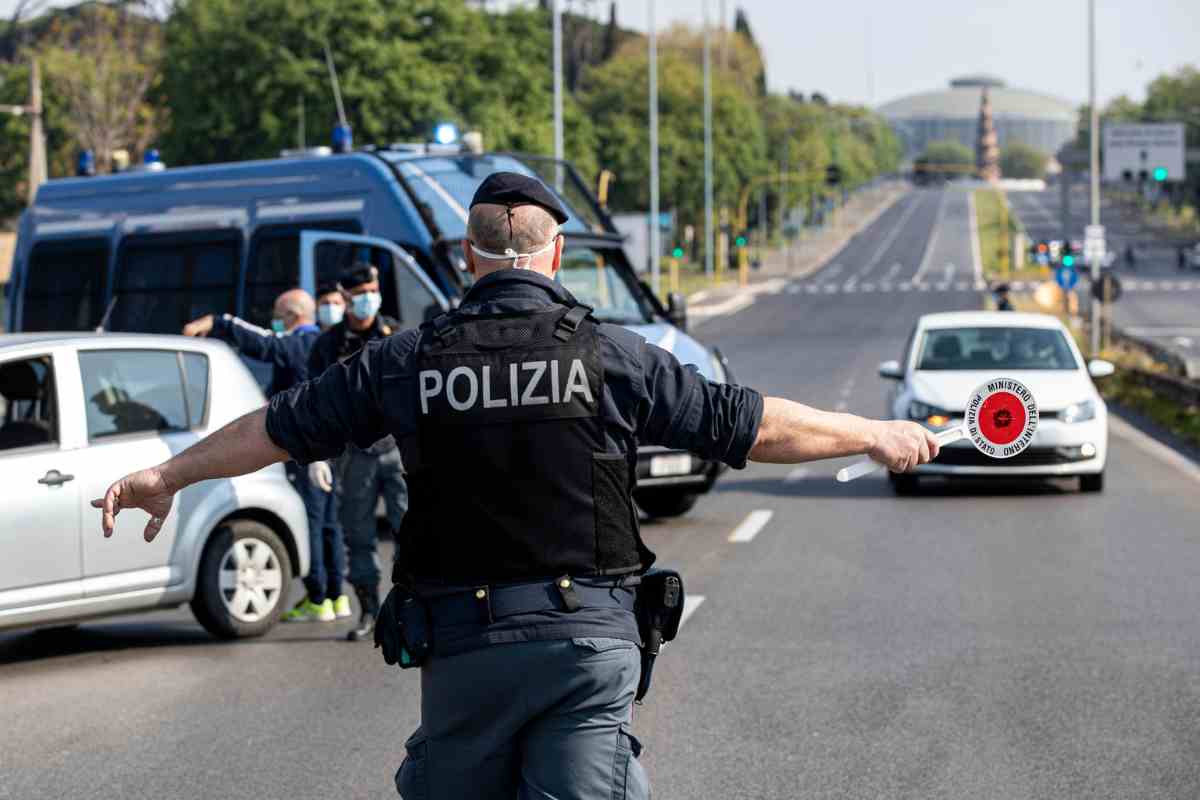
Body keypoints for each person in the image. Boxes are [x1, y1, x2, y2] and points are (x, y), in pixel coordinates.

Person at [95, 172, 939, 800]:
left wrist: (168, 473)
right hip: (587, 649)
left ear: (468, 258)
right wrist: (875, 432)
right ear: (556, 254)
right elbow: (748, 422)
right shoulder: (607, 354)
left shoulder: (408, 359)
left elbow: (277, 427)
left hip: (467, 651)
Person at [182, 289, 349, 623]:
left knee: (313, 522)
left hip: (309, 449)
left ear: (290, 315)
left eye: (277, 314)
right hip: (335, 447)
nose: (274, 321)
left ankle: (318, 597)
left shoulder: (301, 342)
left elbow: (263, 343)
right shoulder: (330, 344)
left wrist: (219, 323)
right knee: (331, 524)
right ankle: (337, 596)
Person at [308, 264, 406, 642]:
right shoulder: (327, 346)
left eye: (372, 291)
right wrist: (316, 453)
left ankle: (410, 606)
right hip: (354, 454)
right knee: (359, 536)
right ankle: (368, 609)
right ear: (346, 298)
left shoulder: (395, 334)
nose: (368, 299)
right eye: (360, 293)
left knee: (409, 532)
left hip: (398, 450)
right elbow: (312, 402)